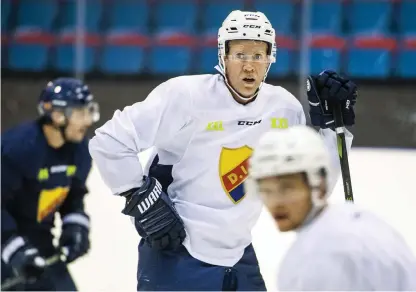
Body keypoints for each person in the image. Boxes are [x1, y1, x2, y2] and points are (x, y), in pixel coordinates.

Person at [89, 10, 357, 291]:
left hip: (238, 253)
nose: (250, 66)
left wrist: (333, 129)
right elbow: (109, 141)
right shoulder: (186, 96)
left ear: (270, 58)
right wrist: (138, 195)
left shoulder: (284, 107)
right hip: (176, 250)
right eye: (240, 55)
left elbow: (313, 182)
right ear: (223, 56)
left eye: (258, 56)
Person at [247, 125, 416, 291]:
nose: (276, 202)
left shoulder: (317, 258)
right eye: (266, 190)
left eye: (287, 188)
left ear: (319, 184)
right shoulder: (361, 220)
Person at [1, 77, 100, 291]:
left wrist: (75, 227)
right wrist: (15, 251)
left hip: (39, 243)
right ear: (57, 115)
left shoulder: (79, 150)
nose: (88, 120)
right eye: (81, 113)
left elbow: (73, 196)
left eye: (89, 111)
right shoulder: (18, 149)